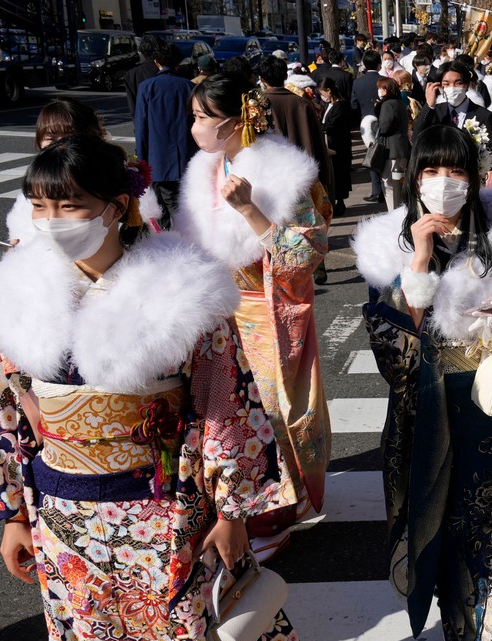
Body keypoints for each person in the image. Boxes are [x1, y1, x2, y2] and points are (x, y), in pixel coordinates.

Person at [0, 135, 306, 641]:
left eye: (69, 205)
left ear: (118, 206)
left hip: (162, 514)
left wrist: (235, 514)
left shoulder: (183, 292)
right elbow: (7, 411)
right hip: (65, 521)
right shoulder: (22, 295)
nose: (51, 223)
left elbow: (228, 410)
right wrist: (14, 513)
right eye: (39, 206)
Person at [353, 124, 492, 641]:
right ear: (412, 179)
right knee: (442, 531)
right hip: (428, 415)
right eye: (431, 173)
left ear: (475, 179)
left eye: (455, 173)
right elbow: (394, 356)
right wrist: (417, 262)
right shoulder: (391, 246)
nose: (443, 185)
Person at [174, 73, 332, 560]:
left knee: (269, 411)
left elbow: (306, 253)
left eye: (203, 117)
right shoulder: (206, 168)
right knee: (222, 415)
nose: (195, 126)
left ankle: (275, 511)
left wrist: (250, 212)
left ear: (235, 119)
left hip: (264, 314)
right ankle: (234, 507)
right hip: (218, 309)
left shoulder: (284, 174)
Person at [6, 99, 109, 245]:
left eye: (70, 137)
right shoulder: (38, 181)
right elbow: (22, 233)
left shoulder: (108, 177)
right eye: (51, 139)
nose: (60, 145)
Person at [134, 43, 196, 229]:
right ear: (178, 63)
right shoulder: (189, 86)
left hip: (158, 159)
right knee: (185, 207)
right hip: (188, 155)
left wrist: (142, 162)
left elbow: (141, 127)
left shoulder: (146, 87)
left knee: (163, 213)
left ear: (156, 62)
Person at [259, 56, 332, 200]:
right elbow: (318, 142)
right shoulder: (303, 104)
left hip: (270, 178)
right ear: (286, 76)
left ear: (261, 79)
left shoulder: (257, 107)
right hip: (303, 175)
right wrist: (324, 179)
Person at [413, 61, 492, 177]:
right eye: (446, 84)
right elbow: (417, 139)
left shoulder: (484, 116)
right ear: (440, 86)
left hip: (469, 181)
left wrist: (470, 168)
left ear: (466, 85)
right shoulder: (435, 112)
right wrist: (429, 106)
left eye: (458, 83)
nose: (452, 88)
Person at [375, 75, 411, 211]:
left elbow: (384, 127)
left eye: (381, 88)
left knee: (389, 183)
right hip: (402, 147)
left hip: (392, 149)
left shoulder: (387, 104)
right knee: (400, 183)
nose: (379, 90)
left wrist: (374, 125)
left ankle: (394, 212)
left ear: (387, 89)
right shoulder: (399, 102)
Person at [352, 49, 384, 202]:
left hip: (365, 121)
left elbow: (354, 105)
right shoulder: (384, 81)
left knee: (371, 154)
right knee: (383, 154)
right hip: (382, 121)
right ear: (379, 64)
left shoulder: (358, 83)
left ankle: (376, 190)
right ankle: (385, 189)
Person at [318, 77, 352, 217]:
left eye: (322, 93)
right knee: (333, 174)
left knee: (339, 174)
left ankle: (340, 202)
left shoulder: (341, 105)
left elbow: (333, 125)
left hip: (339, 145)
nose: (322, 96)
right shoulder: (329, 105)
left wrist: (320, 127)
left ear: (329, 91)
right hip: (330, 143)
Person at [124, 34, 164, 117]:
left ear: (142, 52)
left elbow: (133, 108)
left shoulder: (131, 74)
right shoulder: (166, 69)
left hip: (144, 121)